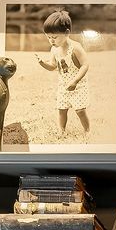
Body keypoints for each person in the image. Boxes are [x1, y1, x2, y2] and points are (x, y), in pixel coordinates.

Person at [37, 9, 91, 142]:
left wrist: (75, 81)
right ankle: (61, 131)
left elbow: (85, 65)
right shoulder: (54, 49)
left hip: (78, 86)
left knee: (80, 110)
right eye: (48, 37)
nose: (51, 40)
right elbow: (53, 66)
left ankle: (87, 130)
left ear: (66, 33)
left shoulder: (75, 47)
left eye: (54, 37)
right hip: (63, 86)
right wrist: (43, 63)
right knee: (61, 109)